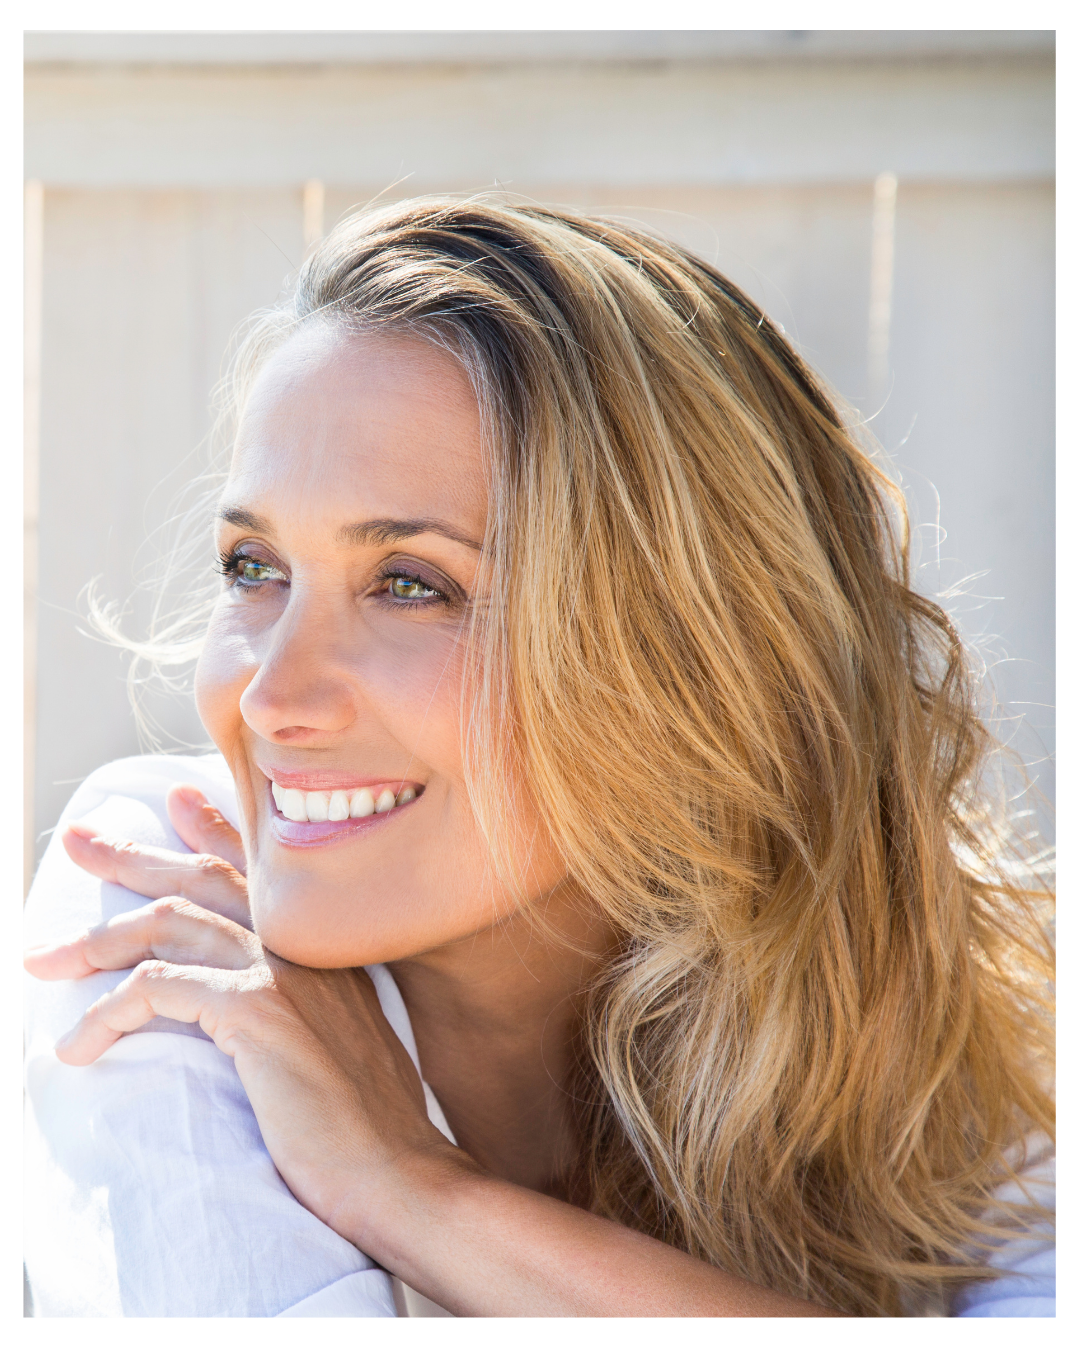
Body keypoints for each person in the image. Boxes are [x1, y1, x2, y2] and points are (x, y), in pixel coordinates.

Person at [23, 199, 1074, 1317]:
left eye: (413, 585)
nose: (272, 698)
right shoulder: (171, 903)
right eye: (253, 567)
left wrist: (415, 1193)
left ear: (690, 655)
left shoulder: (950, 978)